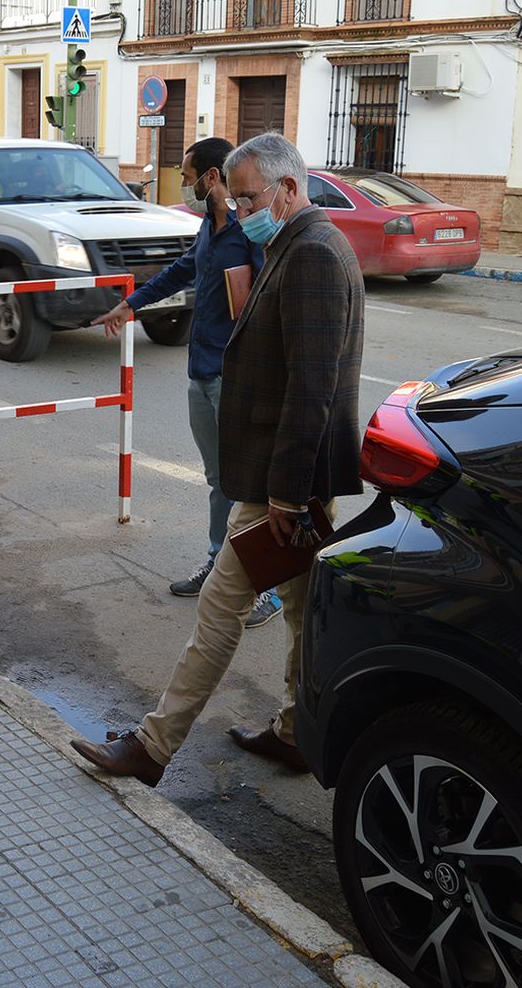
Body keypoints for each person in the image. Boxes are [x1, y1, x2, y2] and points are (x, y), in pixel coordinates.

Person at [71, 132, 364, 783]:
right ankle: (296, 732)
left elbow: (311, 390)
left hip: (282, 486)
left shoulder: (312, 252)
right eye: (234, 198)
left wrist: (285, 497)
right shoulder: (291, 243)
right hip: (292, 480)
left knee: (221, 608)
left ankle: (152, 748)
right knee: (302, 610)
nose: (241, 210)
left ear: (289, 189)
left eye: (250, 197)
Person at [92, 137, 282, 628]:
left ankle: (267, 588)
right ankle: (220, 564)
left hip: (234, 376)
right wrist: (130, 304)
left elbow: (267, 303)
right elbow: (182, 271)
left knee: (249, 485)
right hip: (202, 373)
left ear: (212, 178)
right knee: (220, 479)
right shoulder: (209, 226)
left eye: (188, 174)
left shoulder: (249, 232)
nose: (184, 184)